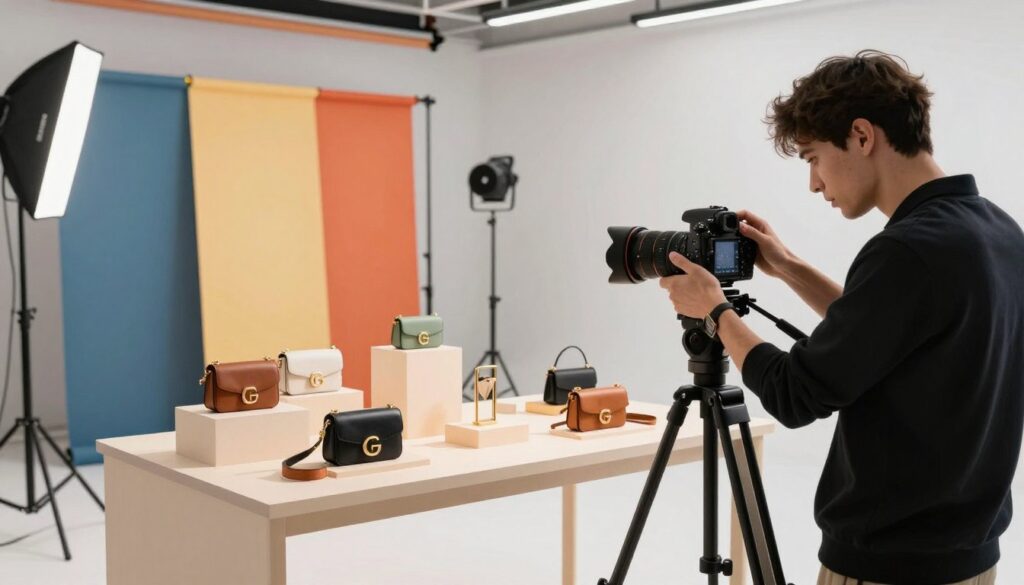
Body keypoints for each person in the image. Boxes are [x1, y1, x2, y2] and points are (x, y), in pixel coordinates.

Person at [659, 50, 1024, 585]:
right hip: (970, 559)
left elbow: (795, 394)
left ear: (860, 135)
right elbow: (887, 334)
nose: (813, 182)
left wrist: (713, 311)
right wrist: (787, 267)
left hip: (887, 568)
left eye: (812, 157)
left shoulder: (906, 251)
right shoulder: (997, 232)